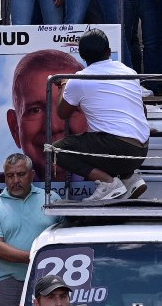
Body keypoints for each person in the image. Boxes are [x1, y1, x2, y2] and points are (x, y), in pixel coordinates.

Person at [54, 29, 151, 202]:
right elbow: (142, 109)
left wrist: (63, 84)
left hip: (118, 148)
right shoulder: (130, 72)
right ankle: (130, 178)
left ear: (83, 56)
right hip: (142, 149)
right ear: (108, 51)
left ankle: (109, 183)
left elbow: (62, 113)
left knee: (56, 150)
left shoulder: (79, 79)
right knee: (100, 137)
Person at [0, 154, 59, 306]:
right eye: (10, 176)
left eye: (21, 174)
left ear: (32, 175)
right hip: (9, 282)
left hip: (49, 280)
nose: (15, 180)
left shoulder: (51, 199)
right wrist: (35, 257)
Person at [4, 50, 89, 182]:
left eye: (70, 106)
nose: (54, 126)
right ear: (14, 127)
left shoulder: (115, 183)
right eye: (35, 110)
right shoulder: (3, 190)